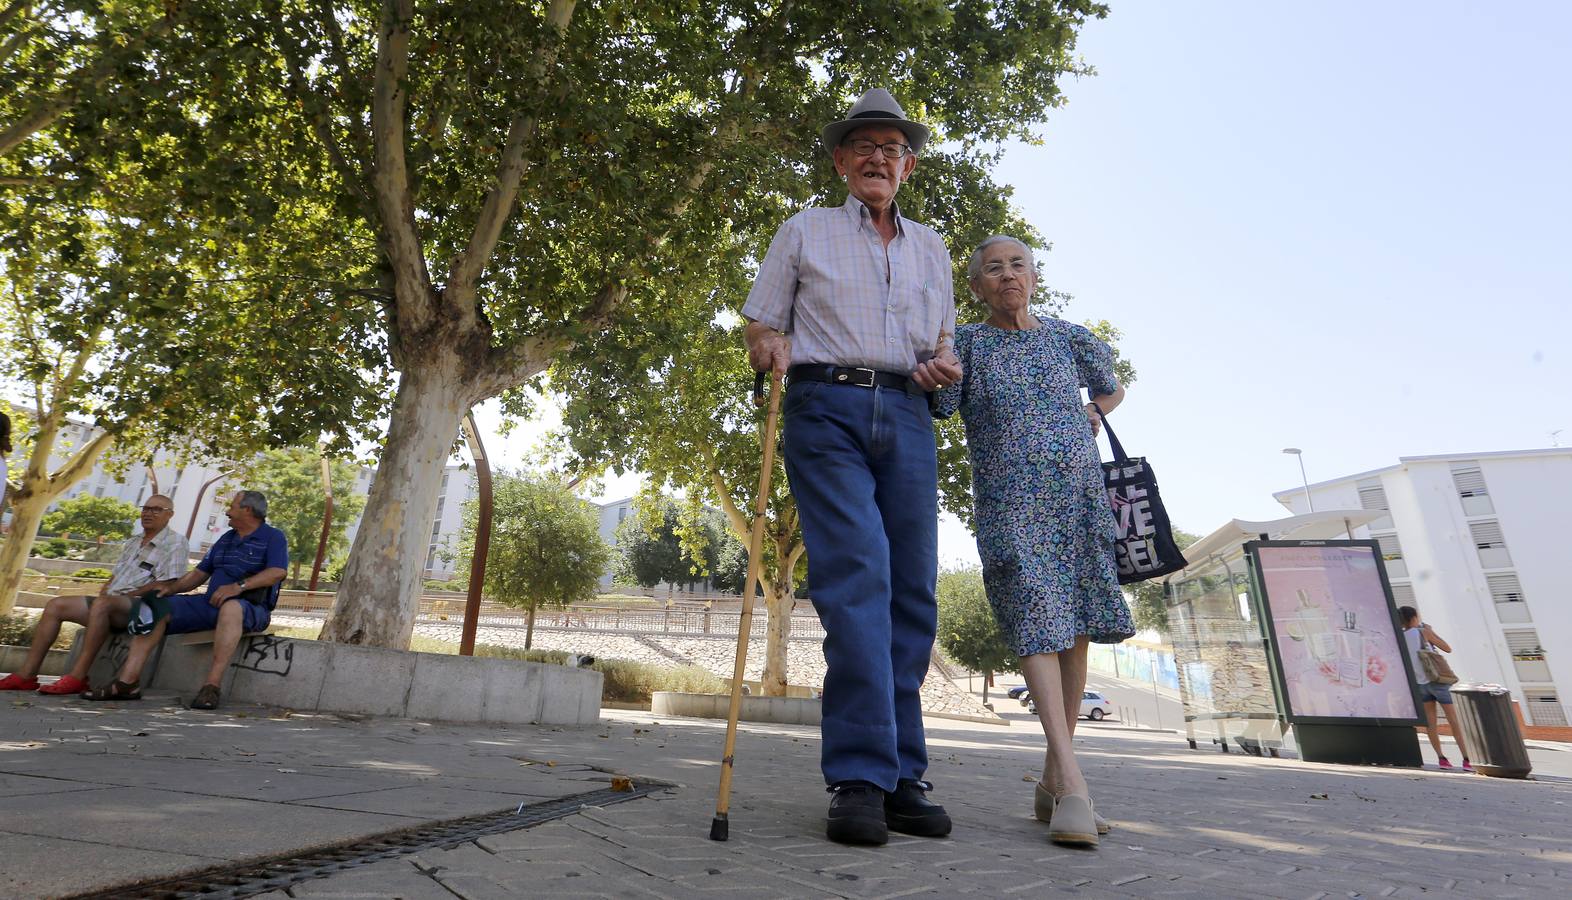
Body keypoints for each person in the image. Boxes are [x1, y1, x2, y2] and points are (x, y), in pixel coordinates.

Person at [742, 88, 962, 846]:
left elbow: (941, 347)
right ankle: (861, 777)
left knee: (913, 592)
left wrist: (943, 370)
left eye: (892, 148)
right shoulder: (804, 229)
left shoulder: (932, 247)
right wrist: (766, 345)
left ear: (907, 166)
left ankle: (904, 775)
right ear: (841, 161)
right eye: (864, 146)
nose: (879, 158)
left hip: (905, 412)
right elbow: (763, 320)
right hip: (825, 408)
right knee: (858, 577)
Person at [933, 235, 1133, 848]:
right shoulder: (966, 341)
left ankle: (1052, 783)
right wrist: (932, 364)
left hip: (1077, 496)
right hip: (1009, 503)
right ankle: (1074, 786)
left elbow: (1113, 383)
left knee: (1072, 627)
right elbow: (942, 403)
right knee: (1034, 620)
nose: (1007, 275)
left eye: (1018, 264)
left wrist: (1095, 412)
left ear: (1035, 276)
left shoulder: (1068, 335)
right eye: (993, 269)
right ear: (976, 287)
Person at [84, 490, 288, 710]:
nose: (227, 511)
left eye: (232, 506)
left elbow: (277, 572)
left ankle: (211, 686)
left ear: (247, 510)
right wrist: (169, 589)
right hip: (209, 604)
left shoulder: (273, 537)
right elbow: (198, 575)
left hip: (249, 607)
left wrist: (238, 587)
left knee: (231, 608)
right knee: (155, 605)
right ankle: (127, 682)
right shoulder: (226, 538)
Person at [0, 495, 188, 694]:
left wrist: (128, 594)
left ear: (170, 515)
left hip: (140, 606)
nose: (148, 513)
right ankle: (26, 675)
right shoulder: (134, 541)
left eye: (157, 509)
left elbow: (168, 584)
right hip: (110, 602)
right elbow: (116, 575)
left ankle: (77, 677)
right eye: (146, 508)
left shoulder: (176, 542)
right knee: (56, 605)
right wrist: (106, 589)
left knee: (103, 605)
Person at [1400, 605, 1472, 772]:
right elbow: (1447, 648)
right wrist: (1430, 632)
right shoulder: (1422, 632)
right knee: (1454, 720)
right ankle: (1467, 759)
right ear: (1414, 617)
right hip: (1437, 681)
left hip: (1420, 684)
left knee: (1431, 723)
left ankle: (1441, 758)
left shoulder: (1401, 637)